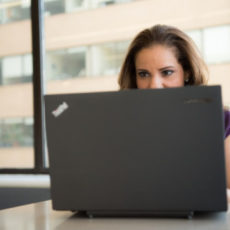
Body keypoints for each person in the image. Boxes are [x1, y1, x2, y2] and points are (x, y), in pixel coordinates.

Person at [118, 24, 230, 189]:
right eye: (143, 74)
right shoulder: (120, 125)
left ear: (187, 72)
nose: (154, 85)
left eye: (167, 72)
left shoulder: (222, 121)